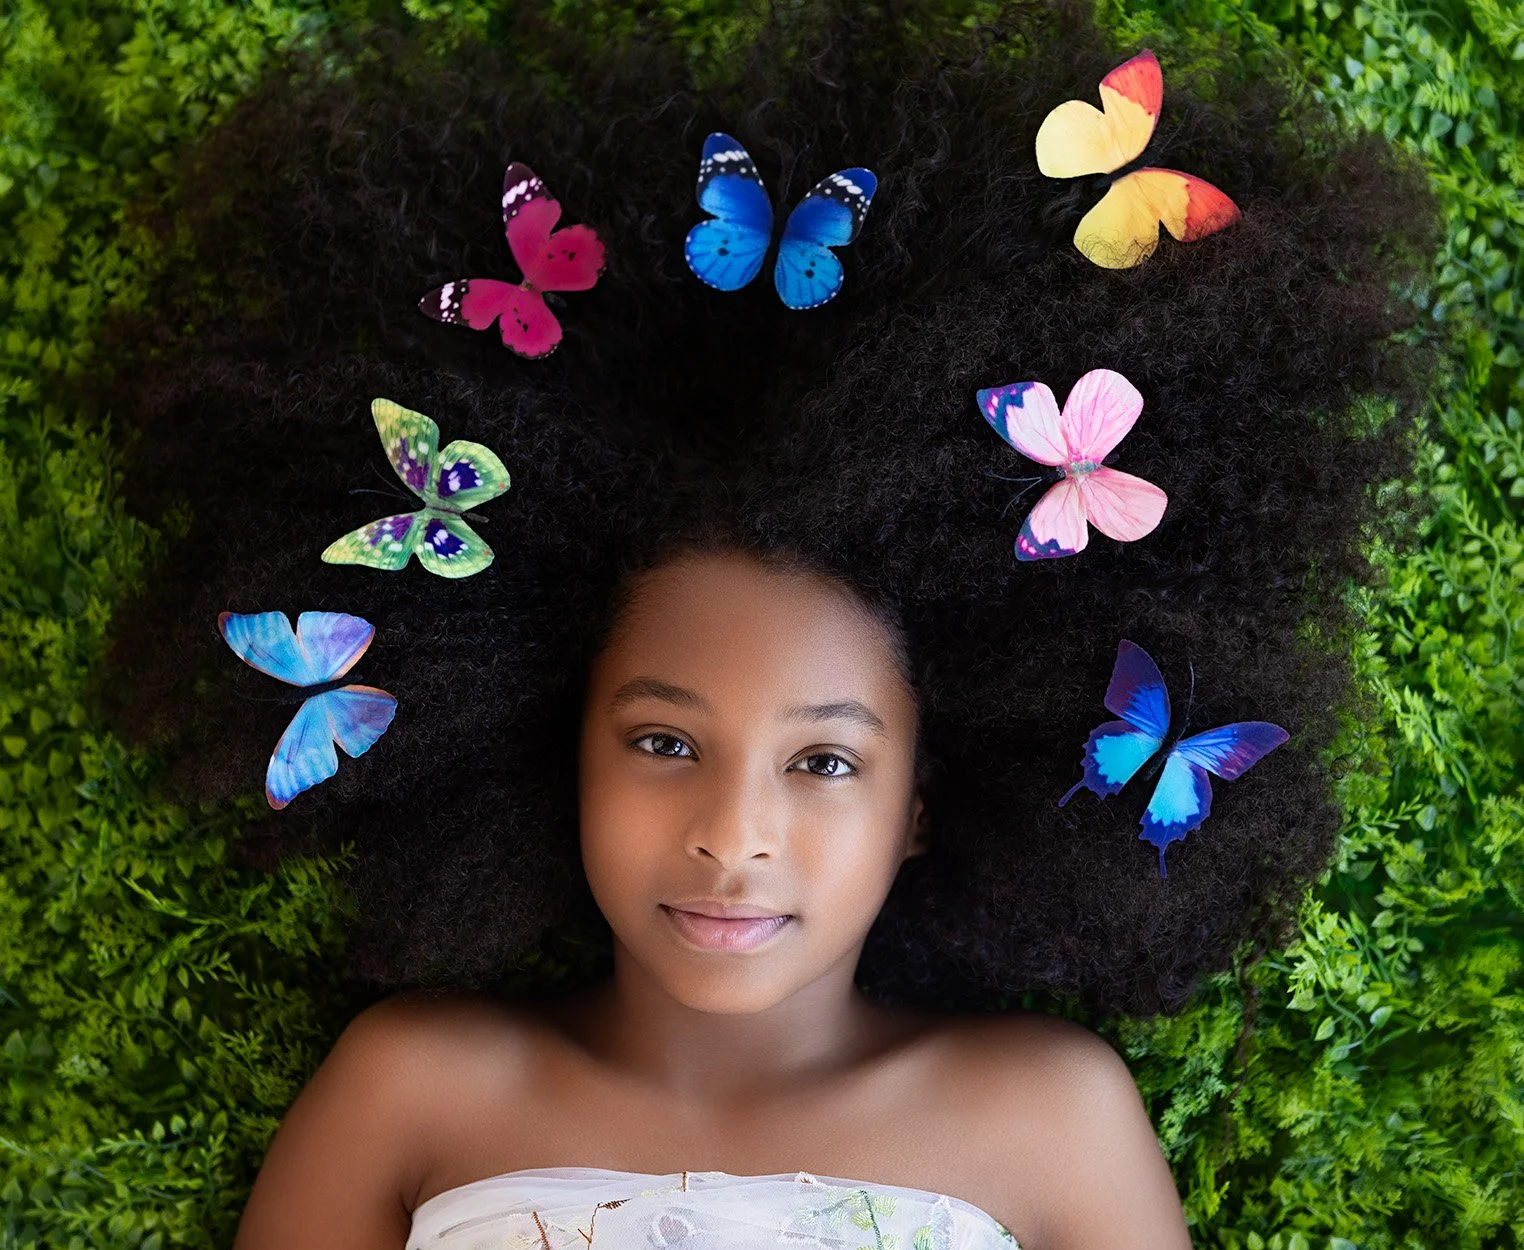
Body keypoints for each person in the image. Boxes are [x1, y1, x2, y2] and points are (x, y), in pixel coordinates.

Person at [95, 1, 1435, 1246]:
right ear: (552, 741)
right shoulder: (411, 1089)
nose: (732, 831)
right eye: (664, 741)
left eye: (827, 761)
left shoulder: (1052, 1115)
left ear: (925, 798)